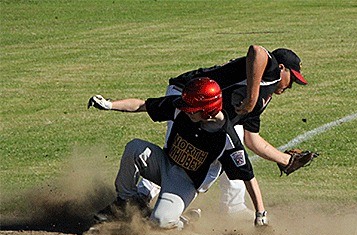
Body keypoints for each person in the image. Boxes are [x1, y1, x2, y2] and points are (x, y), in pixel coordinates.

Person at [89, 45, 311, 218]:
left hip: (212, 112)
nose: (291, 85)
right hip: (190, 95)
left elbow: (250, 139)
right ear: (281, 68)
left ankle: (229, 207)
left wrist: (284, 159)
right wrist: (251, 99)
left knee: (222, 150)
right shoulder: (269, 73)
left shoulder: (266, 96)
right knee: (180, 156)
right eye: (293, 78)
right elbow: (257, 51)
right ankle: (139, 198)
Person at [88, 77, 268, 229]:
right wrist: (109, 105)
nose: (185, 110)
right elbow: (143, 105)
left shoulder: (227, 139)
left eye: (191, 108)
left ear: (207, 110)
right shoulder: (180, 109)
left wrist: (260, 213)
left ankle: (184, 221)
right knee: (135, 148)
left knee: (160, 222)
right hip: (164, 164)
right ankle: (125, 203)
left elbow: (248, 175)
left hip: (185, 183)